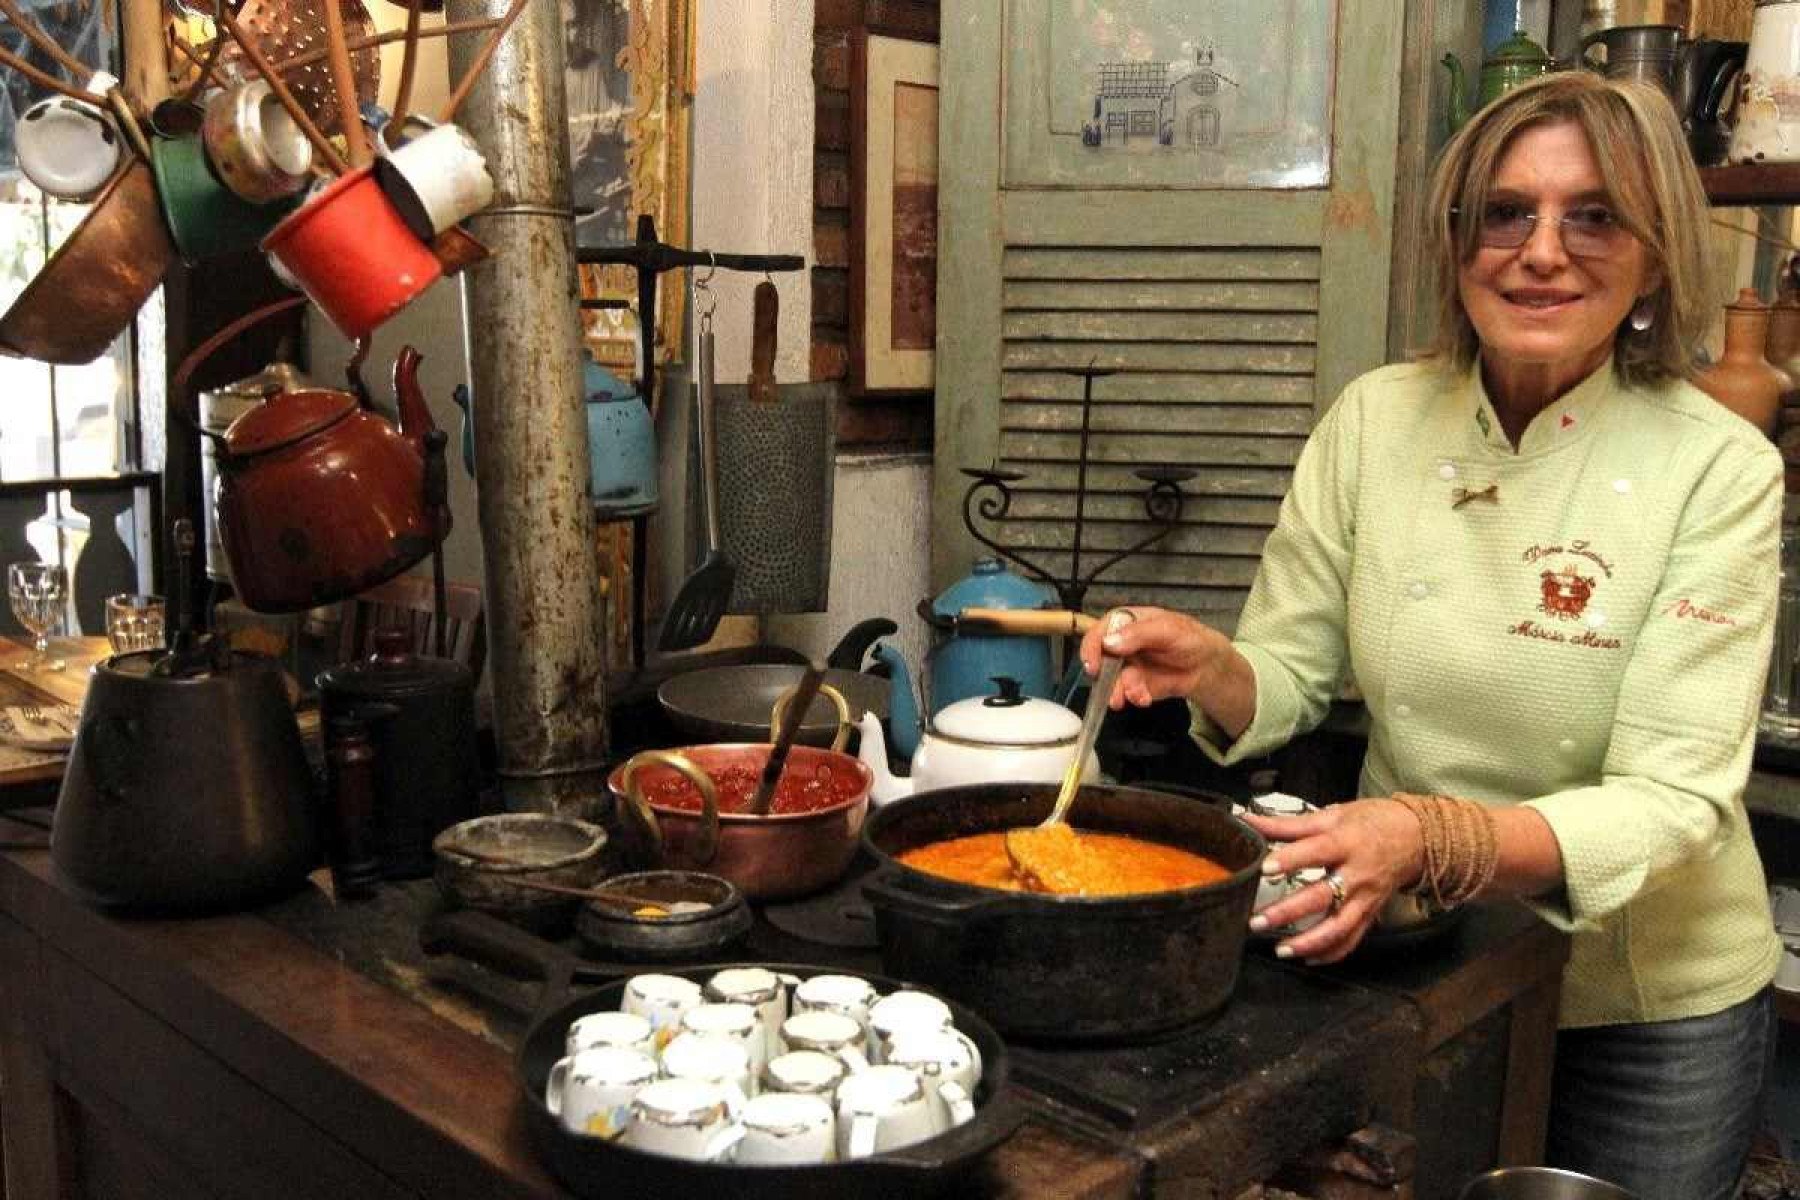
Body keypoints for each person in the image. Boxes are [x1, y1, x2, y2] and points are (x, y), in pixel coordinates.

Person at [1081, 71, 1781, 1200]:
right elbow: (1291, 671)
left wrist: (1430, 836)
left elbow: (1675, 799)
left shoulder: (1719, 468)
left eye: (1592, 215)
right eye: (1504, 212)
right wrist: (1210, 668)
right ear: (1457, 244)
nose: (1540, 251)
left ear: (1653, 257)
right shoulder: (1376, 419)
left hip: (1642, 1001)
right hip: (1431, 957)